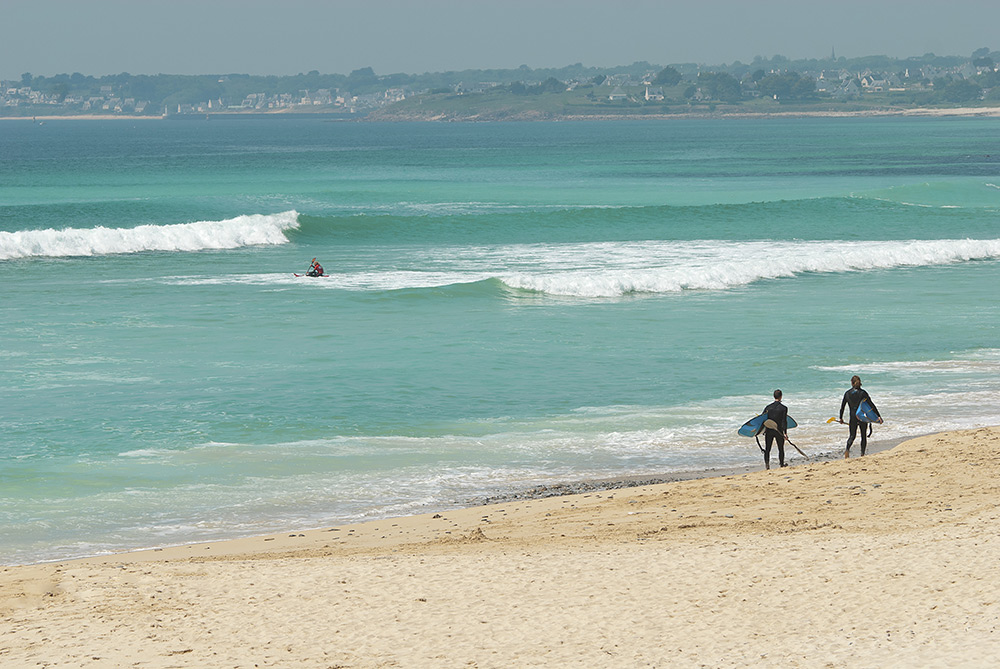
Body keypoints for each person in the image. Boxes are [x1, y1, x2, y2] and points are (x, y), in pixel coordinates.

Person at [839, 375, 880, 458]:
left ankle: (847, 449)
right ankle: (862, 454)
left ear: (851, 383)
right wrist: (878, 416)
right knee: (863, 436)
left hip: (853, 417)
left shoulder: (847, 393)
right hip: (862, 417)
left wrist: (841, 418)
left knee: (852, 436)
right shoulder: (863, 393)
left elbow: (842, 406)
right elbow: (871, 405)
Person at [762, 389, 789, 470]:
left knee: (767, 449)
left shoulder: (768, 407)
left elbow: (763, 419)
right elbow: (784, 421)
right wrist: (785, 433)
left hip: (769, 431)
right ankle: (781, 464)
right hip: (779, 431)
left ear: (774, 396)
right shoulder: (784, 408)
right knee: (781, 448)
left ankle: (767, 465)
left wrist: (761, 431)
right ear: (781, 396)